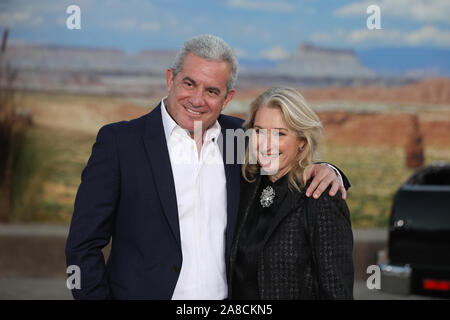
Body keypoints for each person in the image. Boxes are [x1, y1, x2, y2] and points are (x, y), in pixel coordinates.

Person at [65, 35, 347, 300]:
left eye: (212, 90)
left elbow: (281, 162)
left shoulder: (238, 138)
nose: (198, 100)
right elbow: (83, 245)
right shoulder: (120, 143)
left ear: (227, 97)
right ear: (170, 79)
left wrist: (328, 170)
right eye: (189, 84)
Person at [229, 87, 354, 299]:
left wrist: (331, 170)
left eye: (279, 133)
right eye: (259, 131)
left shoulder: (320, 198)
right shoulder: (247, 185)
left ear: (302, 140)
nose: (266, 144)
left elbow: (336, 291)